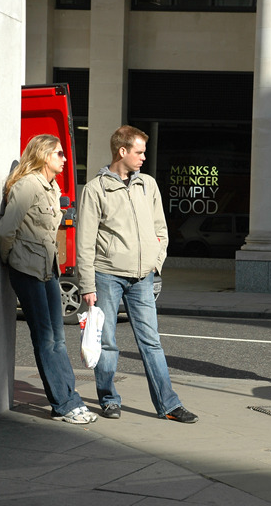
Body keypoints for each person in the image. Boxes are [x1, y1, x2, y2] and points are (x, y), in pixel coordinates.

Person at [77, 125, 197, 423]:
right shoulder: (96, 189)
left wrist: (156, 262)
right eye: (139, 152)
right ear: (122, 151)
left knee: (151, 342)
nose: (144, 157)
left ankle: (169, 405)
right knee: (107, 342)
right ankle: (109, 399)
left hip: (143, 277)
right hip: (107, 275)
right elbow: (85, 241)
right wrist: (87, 284)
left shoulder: (148, 185)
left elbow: (161, 229)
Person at [0, 134, 98, 424]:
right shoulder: (28, 185)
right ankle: (63, 404)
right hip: (27, 271)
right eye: (59, 154)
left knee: (58, 339)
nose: (64, 159)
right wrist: (11, 260)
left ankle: (70, 399)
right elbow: (5, 231)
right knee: (45, 339)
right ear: (43, 155)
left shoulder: (52, 187)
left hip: (48, 270)